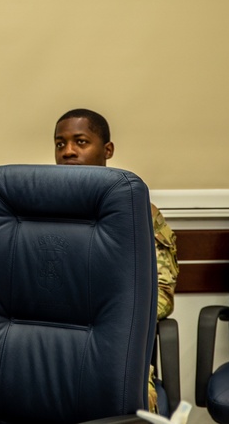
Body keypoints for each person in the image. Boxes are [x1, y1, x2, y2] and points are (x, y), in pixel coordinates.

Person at [53, 108, 179, 414]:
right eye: (60, 144)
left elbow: (160, 296)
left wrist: (102, 312)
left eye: (80, 142)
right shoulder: (38, 211)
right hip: (50, 344)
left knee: (129, 405)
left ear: (107, 150)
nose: (68, 151)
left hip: (113, 346)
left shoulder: (139, 214)